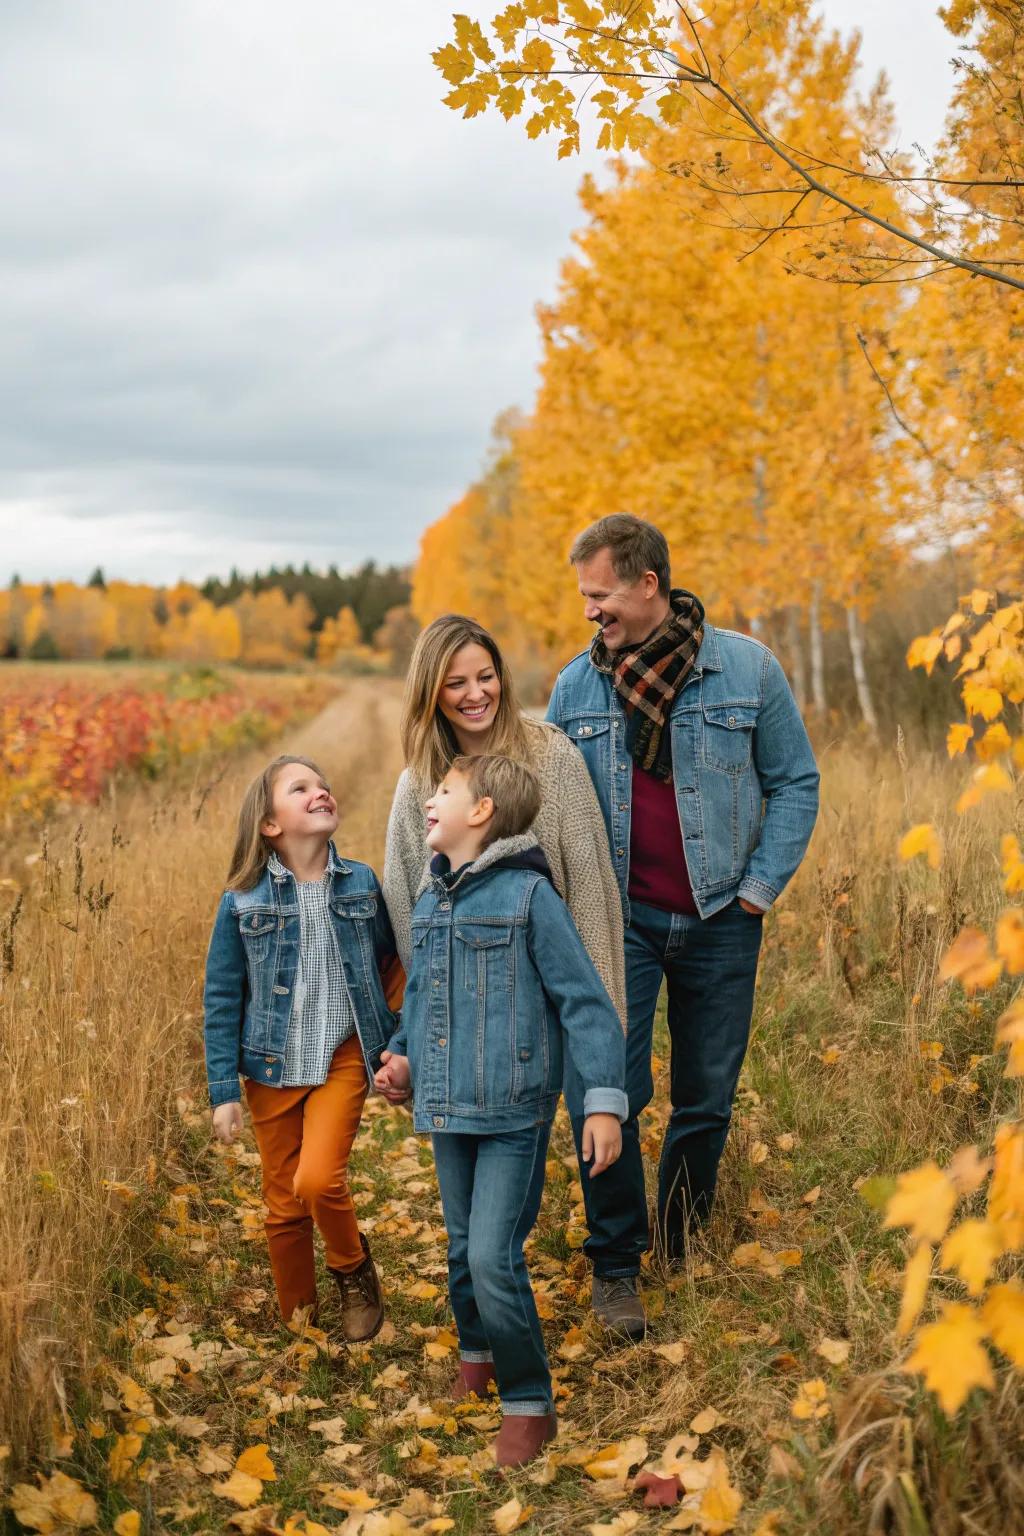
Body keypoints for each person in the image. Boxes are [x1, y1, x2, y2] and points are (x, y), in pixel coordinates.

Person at [546, 514, 820, 1340]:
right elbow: (550, 811)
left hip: (721, 919)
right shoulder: (575, 689)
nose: (592, 612)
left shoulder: (748, 670)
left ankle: (677, 1237)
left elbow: (796, 782)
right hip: (617, 922)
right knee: (608, 1092)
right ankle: (618, 1266)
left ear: (648, 584)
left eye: (601, 595)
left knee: (706, 1098)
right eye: (585, 597)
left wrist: (757, 891)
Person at [375, 754, 627, 1468]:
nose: (429, 800)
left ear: (481, 812)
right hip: (450, 1105)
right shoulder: (431, 900)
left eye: (445, 791)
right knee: (460, 1250)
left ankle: (528, 1401)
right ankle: (478, 1352)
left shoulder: (528, 898)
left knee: (491, 1254)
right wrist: (402, 1057)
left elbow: (585, 1002)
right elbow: (422, 1001)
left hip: (514, 1109)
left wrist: (602, 1104)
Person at [203, 754, 401, 1342]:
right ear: (269, 824)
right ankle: (299, 1316)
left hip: (341, 1053)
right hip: (272, 1062)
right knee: (283, 1201)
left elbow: (392, 965)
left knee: (317, 1179)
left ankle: (352, 1270)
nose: (320, 792)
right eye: (300, 788)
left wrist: (397, 1043)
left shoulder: (362, 883)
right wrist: (223, 1092)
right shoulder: (242, 901)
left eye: (323, 784)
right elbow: (221, 998)